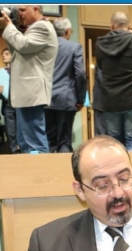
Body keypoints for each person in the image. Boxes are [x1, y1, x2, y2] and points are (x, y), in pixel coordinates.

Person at [0, 5, 58, 153]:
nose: (19, 13)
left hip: (31, 92)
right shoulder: (32, 29)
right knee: (24, 141)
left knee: (35, 142)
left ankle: (41, 168)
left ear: (36, 9)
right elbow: (16, 51)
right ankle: (30, 167)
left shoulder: (43, 27)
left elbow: (23, 45)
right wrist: (13, 27)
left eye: (23, 10)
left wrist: (9, 26)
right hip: (26, 92)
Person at [95, 12, 132, 151]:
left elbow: (101, 66)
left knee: (114, 139)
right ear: (129, 26)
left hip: (110, 99)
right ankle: (130, 166)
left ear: (111, 26)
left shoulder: (100, 43)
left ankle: (116, 164)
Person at [45, 17, 87, 153]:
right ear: (67, 31)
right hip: (66, 99)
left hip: (45, 98)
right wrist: (81, 99)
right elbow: (80, 74)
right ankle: (65, 167)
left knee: (48, 140)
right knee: (64, 141)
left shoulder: (45, 47)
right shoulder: (74, 47)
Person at [0, 48, 19, 153]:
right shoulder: (1, 73)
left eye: (6, 54)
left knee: (21, 130)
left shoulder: (19, 70)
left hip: (19, 104)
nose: (3, 56)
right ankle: (13, 153)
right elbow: (0, 95)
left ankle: (23, 152)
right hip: (7, 105)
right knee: (10, 132)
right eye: (2, 54)